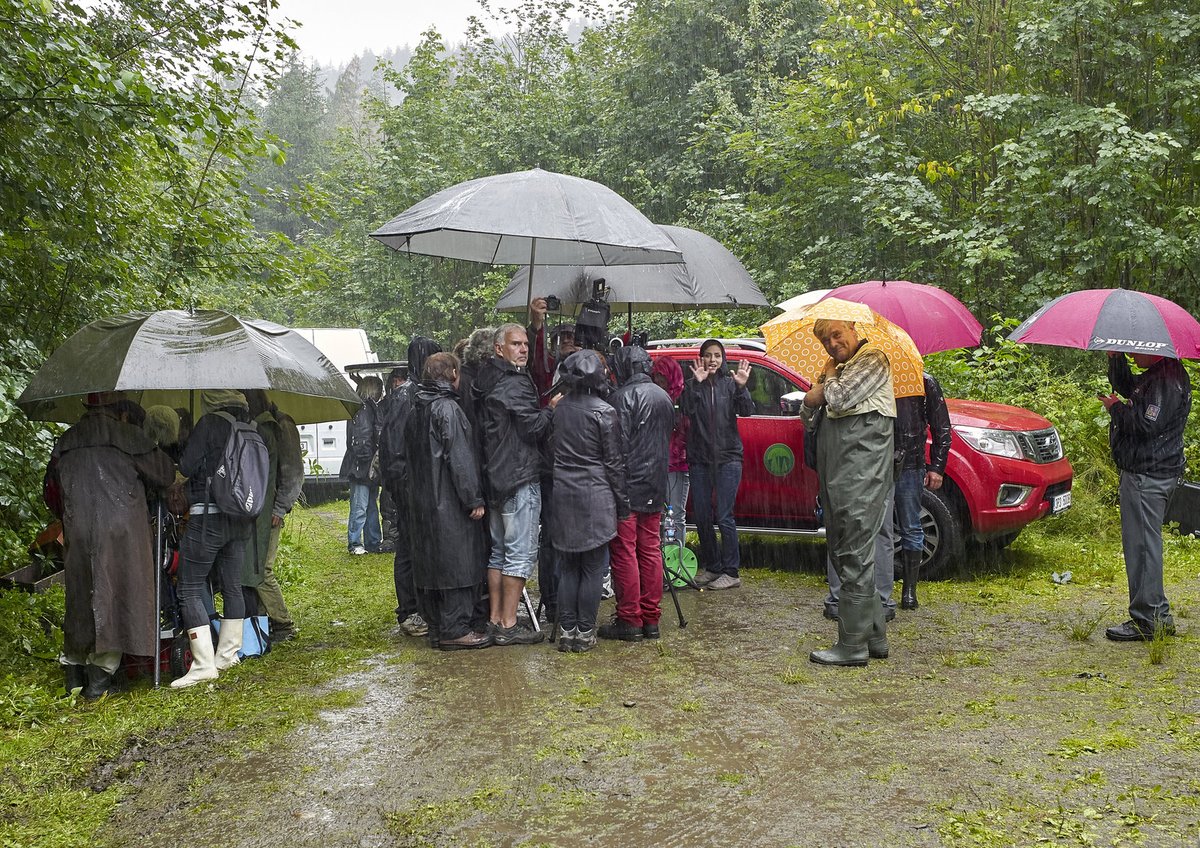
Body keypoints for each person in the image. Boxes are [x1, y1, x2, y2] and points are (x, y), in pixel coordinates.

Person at [49, 392, 174, 699]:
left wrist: (70, 516)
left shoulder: (66, 440)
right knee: (117, 595)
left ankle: (74, 674)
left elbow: (51, 491)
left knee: (81, 594)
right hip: (122, 532)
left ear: (86, 407)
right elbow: (165, 474)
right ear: (118, 408)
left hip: (78, 527)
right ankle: (99, 681)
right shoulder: (130, 436)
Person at [801, 320, 895, 667]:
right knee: (844, 551)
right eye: (826, 340)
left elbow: (837, 399)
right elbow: (808, 415)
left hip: (861, 475)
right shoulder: (842, 369)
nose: (832, 343)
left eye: (837, 334)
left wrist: (824, 380)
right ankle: (875, 636)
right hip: (841, 476)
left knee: (854, 549)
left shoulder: (874, 359)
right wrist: (815, 397)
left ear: (854, 329)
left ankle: (852, 644)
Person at [823, 371, 951, 619]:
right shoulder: (867, 377)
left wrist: (937, 466)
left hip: (910, 462)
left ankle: (908, 591)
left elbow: (941, 425)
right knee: (875, 528)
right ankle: (866, 594)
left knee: (910, 525)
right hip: (875, 461)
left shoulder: (923, 381)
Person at [472, 322, 556, 645]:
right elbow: (532, 427)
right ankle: (508, 624)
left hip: (495, 477)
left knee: (499, 551)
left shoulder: (485, 379)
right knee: (519, 554)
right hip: (518, 477)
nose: (522, 349)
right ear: (499, 348)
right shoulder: (514, 383)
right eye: (516, 344)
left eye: (524, 344)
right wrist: (551, 410)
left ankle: (495, 617)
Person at [403, 352, 492, 650]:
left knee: (432, 565)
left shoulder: (416, 409)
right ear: (454, 374)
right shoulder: (447, 409)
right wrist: (473, 499)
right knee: (458, 564)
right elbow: (460, 459)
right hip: (448, 503)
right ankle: (455, 628)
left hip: (423, 502)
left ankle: (439, 626)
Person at [1101, 350, 1190, 641]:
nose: (1131, 353)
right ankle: (1156, 615)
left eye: (1133, 349)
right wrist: (1116, 359)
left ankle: (1148, 619)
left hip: (1148, 475)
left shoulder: (1166, 380)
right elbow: (1131, 387)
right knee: (1143, 543)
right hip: (1149, 471)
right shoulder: (1158, 374)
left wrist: (1115, 409)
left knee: (1142, 546)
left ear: (1152, 348)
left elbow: (1146, 425)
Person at [172, 390, 258, 688]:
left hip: (207, 518)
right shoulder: (249, 427)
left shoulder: (209, 423)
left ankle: (203, 664)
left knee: (189, 587)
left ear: (212, 399)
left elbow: (186, 467)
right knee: (232, 586)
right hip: (241, 519)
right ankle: (228, 655)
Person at [551, 350, 629, 652]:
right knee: (593, 567)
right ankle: (584, 630)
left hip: (563, 495)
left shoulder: (559, 410)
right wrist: (622, 504)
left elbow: (552, 450)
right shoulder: (605, 412)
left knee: (569, 567)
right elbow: (613, 463)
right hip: (595, 496)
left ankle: (568, 630)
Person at [601, 345, 674, 641]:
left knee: (624, 552)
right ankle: (651, 617)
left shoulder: (620, 399)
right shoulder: (664, 396)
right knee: (649, 550)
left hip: (628, 487)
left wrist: (616, 490)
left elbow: (617, 450)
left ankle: (630, 617)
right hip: (655, 485)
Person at [379, 338, 441, 637]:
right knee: (407, 549)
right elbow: (393, 449)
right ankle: (409, 611)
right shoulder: (407, 396)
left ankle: (420, 606)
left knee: (419, 548)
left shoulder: (417, 393)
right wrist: (403, 489)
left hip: (417, 486)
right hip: (408, 488)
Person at [679, 339, 753, 590]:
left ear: (723, 360)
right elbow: (686, 410)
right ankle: (713, 567)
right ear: (701, 358)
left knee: (724, 515)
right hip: (700, 459)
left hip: (728, 458)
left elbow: (747, 411)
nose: (713, 360)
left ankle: (731, 572)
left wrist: (742, 388)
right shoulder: (693, 384)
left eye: (717, 356)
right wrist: (696, 386)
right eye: (708, 355)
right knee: (701, 516)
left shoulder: (731, 384)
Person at [246, 390, 304, 643]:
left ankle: (283, 622)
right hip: (260, 507)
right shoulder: (261, 424)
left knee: (262, 569)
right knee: (255, 567)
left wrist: (280, 507)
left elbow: (293, 471)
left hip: (271, 508)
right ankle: (264, 621)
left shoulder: (282, 425)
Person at [342, 376, 383, 555]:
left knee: (367, 504)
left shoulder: (362, 407)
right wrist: (368, 460)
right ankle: (356, 542)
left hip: (362, 464)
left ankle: (371, 541)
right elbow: (362, 439)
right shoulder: (366, 409)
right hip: (362, 465)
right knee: (362, 505)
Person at [651, 355, 691, 519]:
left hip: (678, 463)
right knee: (657, 513)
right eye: (656, 377)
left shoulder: (685, 397)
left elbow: (689, 428)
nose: (659, 382)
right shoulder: (652, 395)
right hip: (656, 462)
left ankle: (675, 545)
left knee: (676, 514)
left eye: (663, 377)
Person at [377, 367, 407, 555]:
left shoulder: (408, 399)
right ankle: (389, 537)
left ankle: (397, 536)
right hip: (389, 460)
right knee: (387, 501)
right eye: (394, 380)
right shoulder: (386, 404)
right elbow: (381, 430)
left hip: (402, 461)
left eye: (400, 379)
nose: (397, 383)